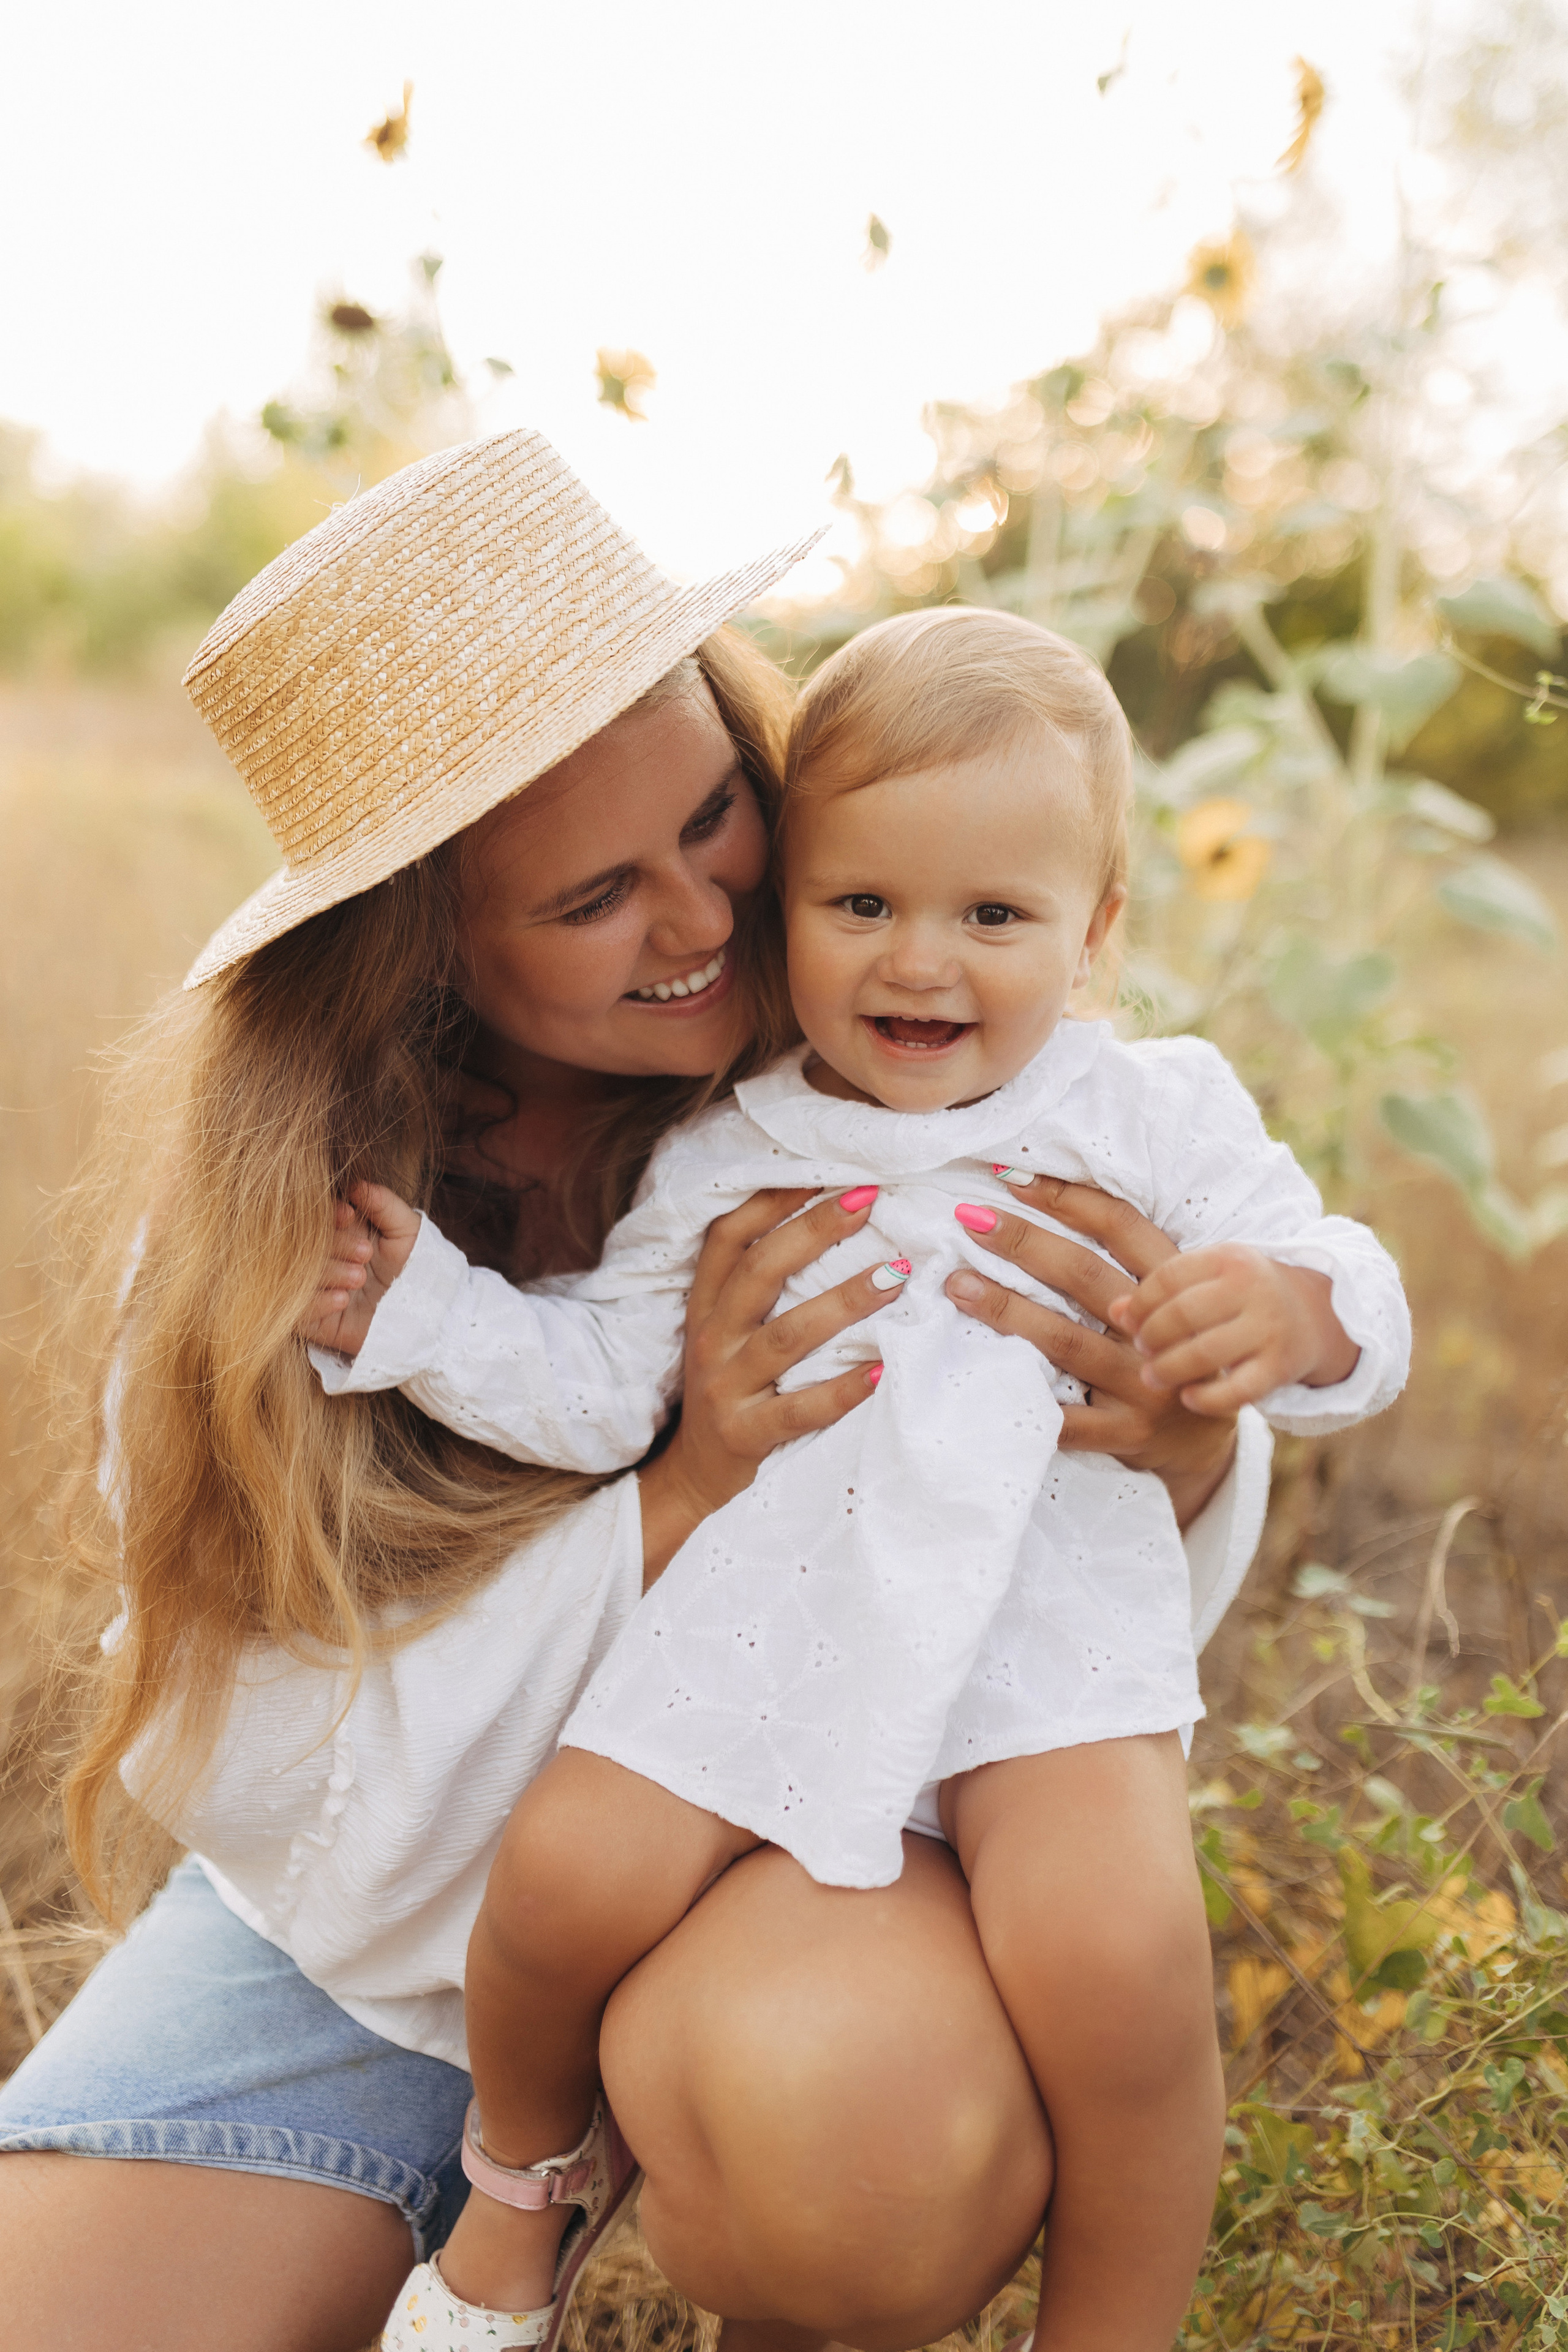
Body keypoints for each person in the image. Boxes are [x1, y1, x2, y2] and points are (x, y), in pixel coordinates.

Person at [0, 432, 1268, 2352]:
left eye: (715, 817)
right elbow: (257, 1748)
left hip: (814, 1844)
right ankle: (514, 2176)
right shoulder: (293, 1239)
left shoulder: (899, 1032)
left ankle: (688, 2183)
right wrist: (679, 1497)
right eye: (595, 893)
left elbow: (1054, 1549)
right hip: (378, 1945)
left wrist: (1178, 1440)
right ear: (417, 937)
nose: (702, 921)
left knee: (858, 2144)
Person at [304, 608, 1409, 2352]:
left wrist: (1294, 1311)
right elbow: (599, 1385)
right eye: (864, 904)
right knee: (561, 1882)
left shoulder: (1149, 1116)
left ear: (1097, 927)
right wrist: (422, 1312)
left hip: (1041, 1640)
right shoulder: (732, 1147)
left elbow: (1342, 1270)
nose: (922, 965)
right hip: (775, 1618)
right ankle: (516, 2197)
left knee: (1122, 1973)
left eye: (995, 917)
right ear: (789, 907)